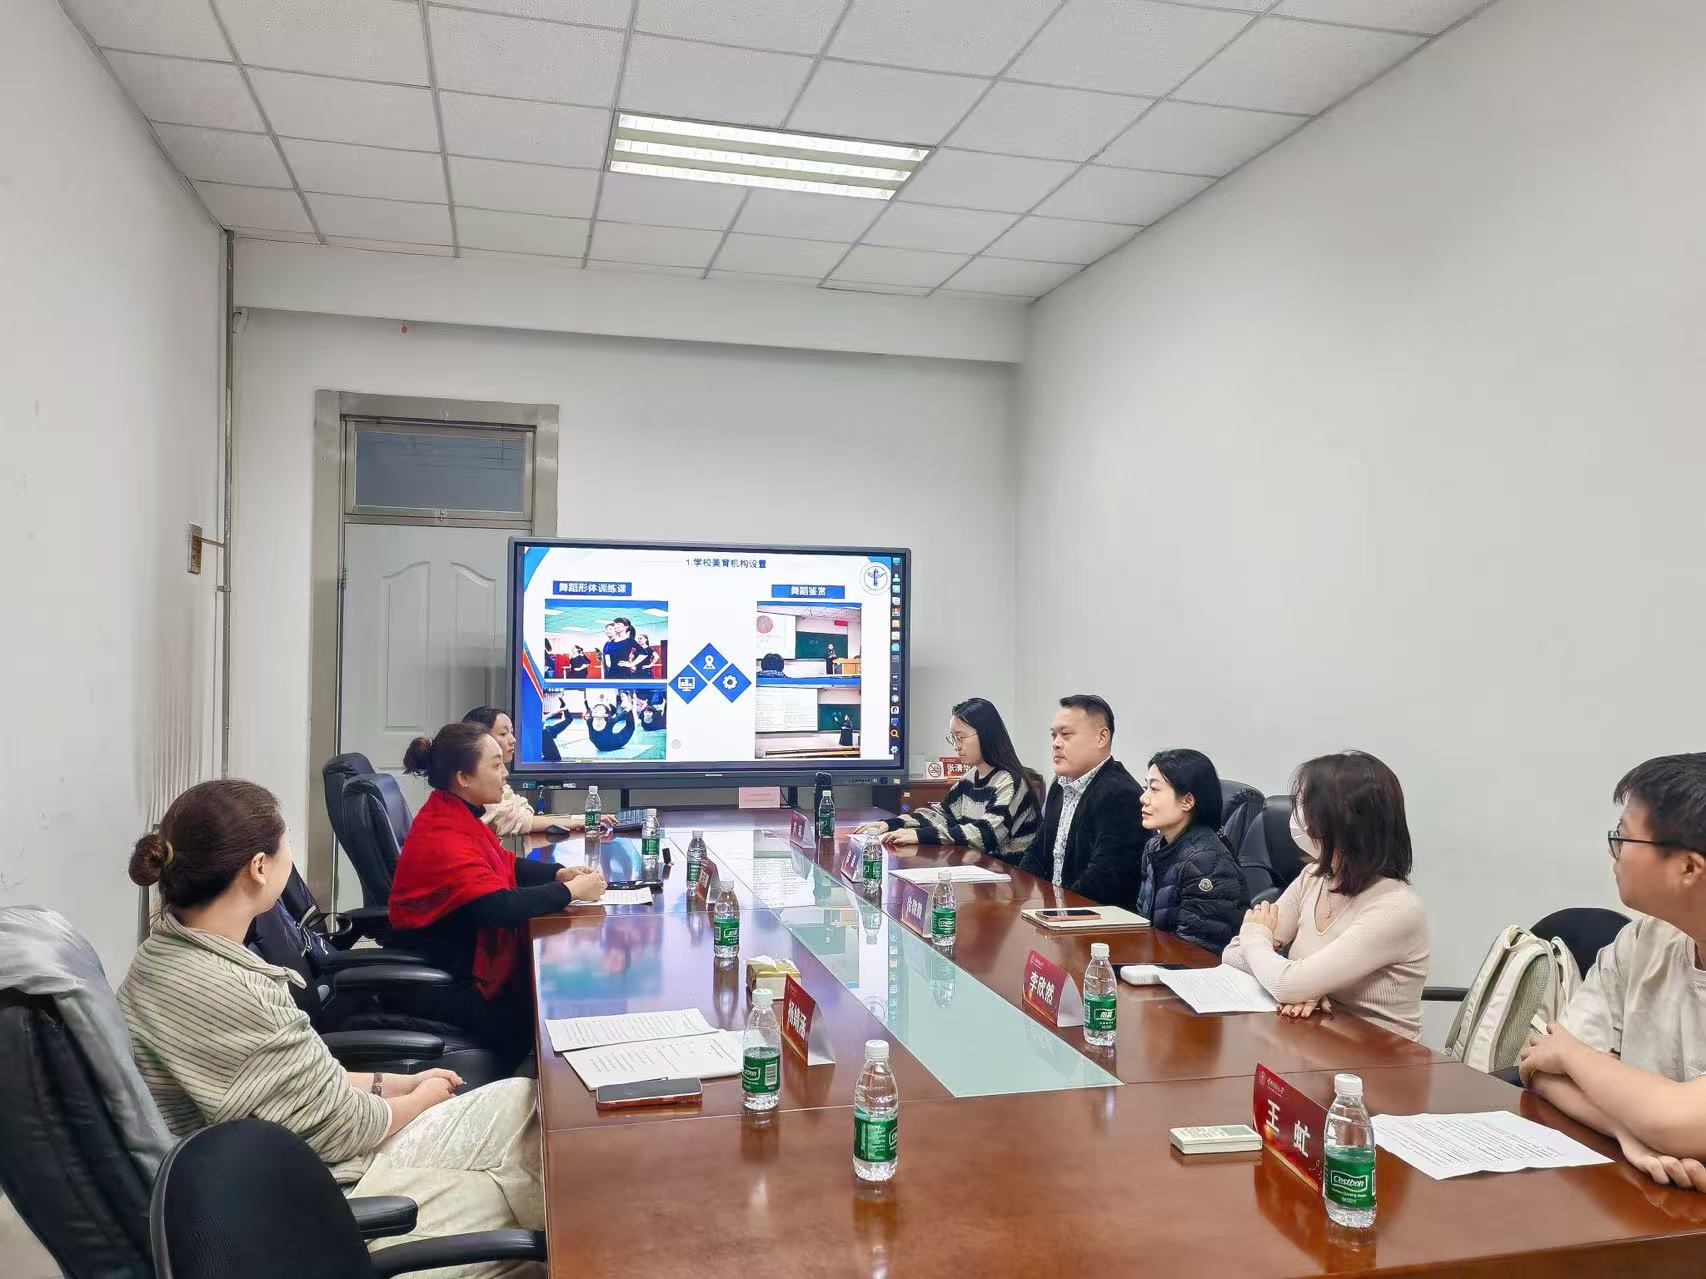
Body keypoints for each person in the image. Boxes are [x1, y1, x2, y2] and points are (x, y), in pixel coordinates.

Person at [120, 779, 546, 1277]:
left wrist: (397, 1082)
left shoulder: (169, 950)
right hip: (312, 1196)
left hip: (282, 1160)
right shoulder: (231, 992)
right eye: (285, 846)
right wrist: (421, 1100)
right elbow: (341, 1128)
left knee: (525, 1103)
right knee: (521, 1207)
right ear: (259, 868)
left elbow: (302, 1084)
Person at [1519, 754, 1706, 1192]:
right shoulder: (1642, 941)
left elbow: (1678, 1118)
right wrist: (1626, 1131)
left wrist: (1575, 1057)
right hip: (1653, 1198)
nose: (1613, 851)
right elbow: (1539, 1065)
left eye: (1623, 838)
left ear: (1688, 867)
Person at [389, 723, 607, 1067]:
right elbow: (499, 907)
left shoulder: (454, 813)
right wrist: (569, 891)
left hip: (464, 959)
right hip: (455, 982)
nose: (505, 774)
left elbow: (503, 863)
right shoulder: (444, 832)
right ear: (464, 777)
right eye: (495, 765)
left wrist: (557, 873)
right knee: (557, 996)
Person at [1222, 752, 1429, 1038]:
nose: (1298, 818)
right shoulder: (1313, 878)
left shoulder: (1396, 908)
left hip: (1377, 1053)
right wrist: (1304, 985)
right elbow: (1232, 955)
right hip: (1312, 1036)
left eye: (1306, 806)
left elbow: (1282, 980)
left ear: (1343, 822)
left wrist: (1258, 938)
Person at [856, 697, 1043, 864]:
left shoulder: (1011, 782)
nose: (956, 746)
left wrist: (919, 836)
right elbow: (940, 815)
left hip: (1013, 877)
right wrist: (892, 824)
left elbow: (984, 835)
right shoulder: (969, 778)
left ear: (987, 735)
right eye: (953, 738)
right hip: (981, 869)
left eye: (961, 738)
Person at [1019, 695, 1144, 904]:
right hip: (1057, 910)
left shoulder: (1119, 794)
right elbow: (1038, 851)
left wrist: (1058, 912)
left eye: (1066, 735)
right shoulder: (1061, 784)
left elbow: (1103, 880)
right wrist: (1017, 893)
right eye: (1054, 735)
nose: (1056, 744)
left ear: (1101, 737)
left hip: (1094, 916)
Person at [1134, 749, 1247, 951]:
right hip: (1156, 958)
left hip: (1192, 966)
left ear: (1187, 801)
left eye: (1155, 789)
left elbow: (1196, 950)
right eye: (1145, 787)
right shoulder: (1155, 846)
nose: (1144, 798)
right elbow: (1146, 923)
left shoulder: (1206, 862)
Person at [463, 706, 612, 838]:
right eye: (503, 733)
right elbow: (520, 820)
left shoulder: (495, 785)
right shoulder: (479, 787)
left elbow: (524, 813)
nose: (513, 740)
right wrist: (582, 821)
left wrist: (581, 820)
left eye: (512, 732)